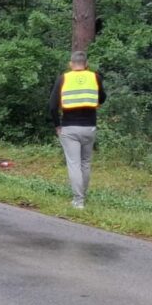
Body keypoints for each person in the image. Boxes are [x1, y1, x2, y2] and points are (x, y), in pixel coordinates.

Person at [49, 50, 106, 209]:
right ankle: (83, 196)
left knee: (74, 164)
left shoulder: (63, 79)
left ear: (71, 64)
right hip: (89, 127)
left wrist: (57, 125)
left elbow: (52, 106)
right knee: (85, 163)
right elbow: (102, 98)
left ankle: (78, 201)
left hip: (70, 127)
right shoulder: (95, 77)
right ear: (86, 64)